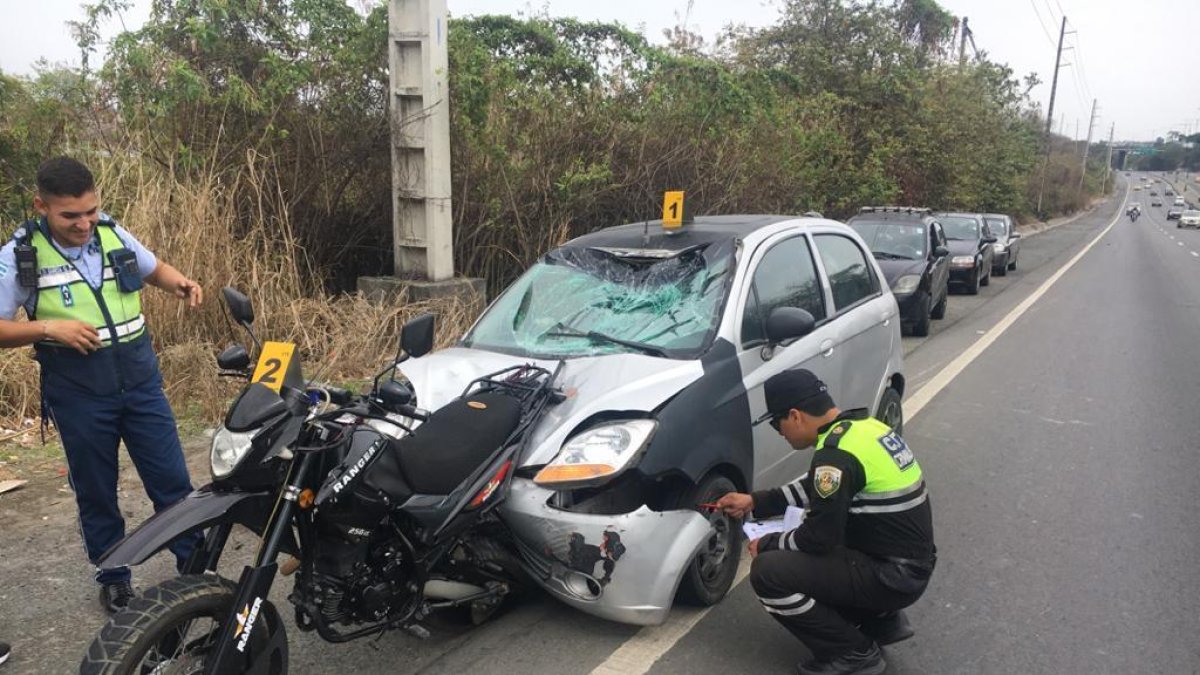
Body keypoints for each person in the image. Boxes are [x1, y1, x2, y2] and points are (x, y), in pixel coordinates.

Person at [0, 157, 204, 613]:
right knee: (96, 488)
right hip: (79, 392)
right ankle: (113, 575)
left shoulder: (111, 233)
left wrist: (180, 283)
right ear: (41, 206)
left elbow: (154, 268)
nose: (84, 223)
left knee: (172, 481)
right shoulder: (21, 255)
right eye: (70, 215)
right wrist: (48, 329)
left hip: (140, 381)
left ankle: (196, 564)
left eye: (90, 211)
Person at [716, 369, 935, 675]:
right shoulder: (862, 428)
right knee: (831, 526)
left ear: (795, 416)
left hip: (891, 576)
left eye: (777, 425)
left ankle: (853, 652)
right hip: (907, 565)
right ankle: (880, 619)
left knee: (769, 571)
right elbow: (818, 486)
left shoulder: (834, 455)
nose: (780, 434)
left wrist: (767, 543)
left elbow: (819, 538)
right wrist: (755, 501)